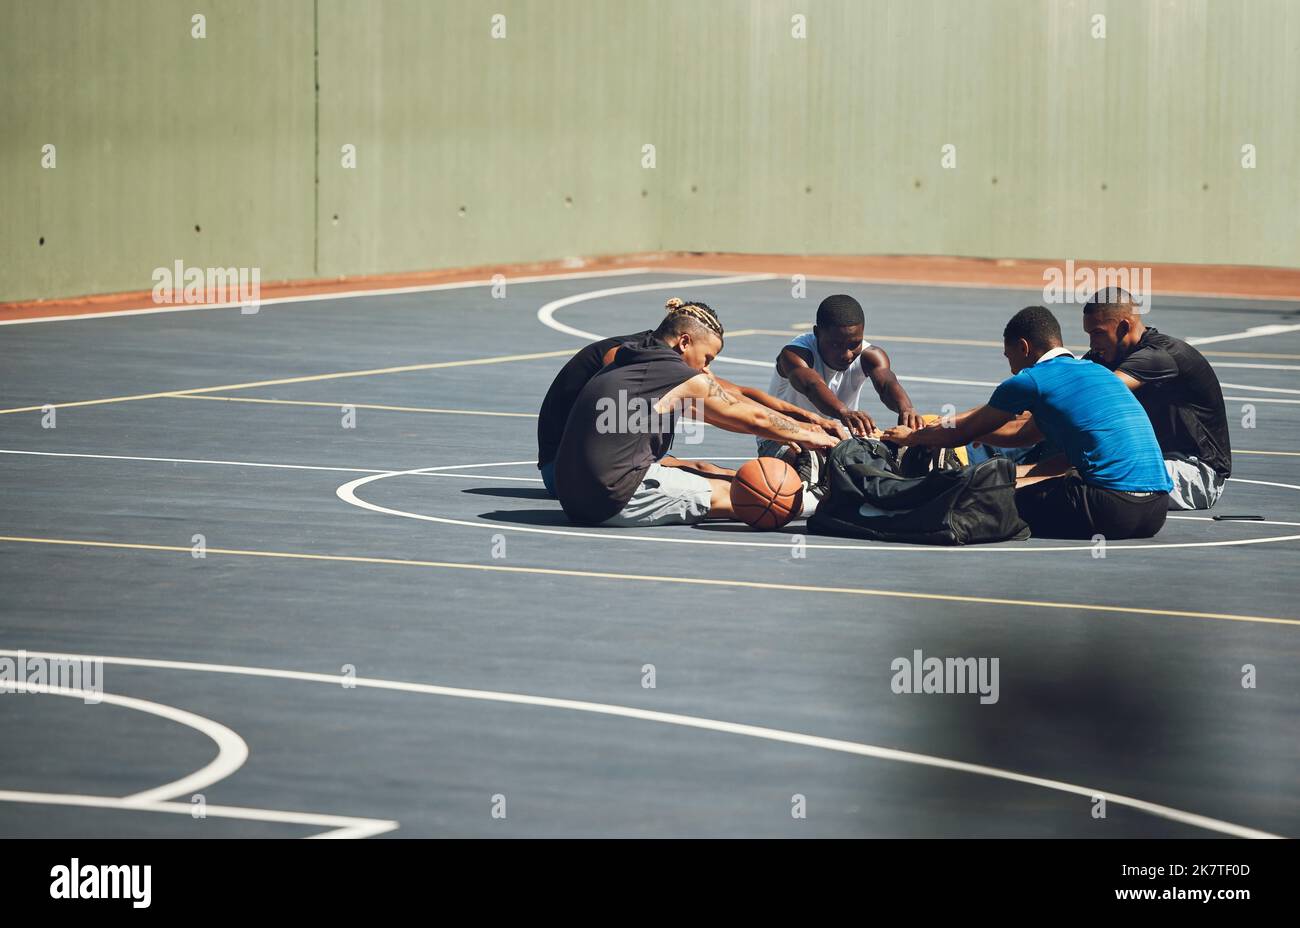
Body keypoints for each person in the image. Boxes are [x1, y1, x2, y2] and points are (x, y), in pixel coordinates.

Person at [881, 306, 1172, 540]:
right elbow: (1026, 433)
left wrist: (912, 438)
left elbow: (965, 431)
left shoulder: (1030, 380)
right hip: (1154, 512)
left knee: (982, 499)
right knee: (1030, 484)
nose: (1010, 366)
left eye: (1009, 357)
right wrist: (984, 435)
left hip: (1108, 511)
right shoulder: (1099, 374)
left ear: (1023, 347)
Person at [554, 301, 838, 526]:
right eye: (707, 359)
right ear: (685, 342)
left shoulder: (638, 357)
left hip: (574, 494)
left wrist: (799, 425)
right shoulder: (673, 373)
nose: (706, 369)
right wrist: (814, 438)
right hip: (611, 499)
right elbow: (749, 417)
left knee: (709, 471)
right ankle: (817, 502)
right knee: (754, 495)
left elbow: (725, 412)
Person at [1082, 287, 1232, 510]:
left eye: (1098, 333)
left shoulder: (1161, 356)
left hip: (1196, 473)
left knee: (1087, 482)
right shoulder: (1105, 354)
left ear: (1124, 327)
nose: (1092, 343)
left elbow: (1102, 392)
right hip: (1154, 461)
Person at [759, 293, 923, 462]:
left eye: (854, 344)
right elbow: (812, 386)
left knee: (901, 456)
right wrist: (843, 412)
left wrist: (906, 408)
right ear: (817, 333)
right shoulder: (794, 355)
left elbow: (887, 384)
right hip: (784, 436)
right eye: (836, 345)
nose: (846, 354)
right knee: (806, 461)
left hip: (839, 437)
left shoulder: (872, 356)